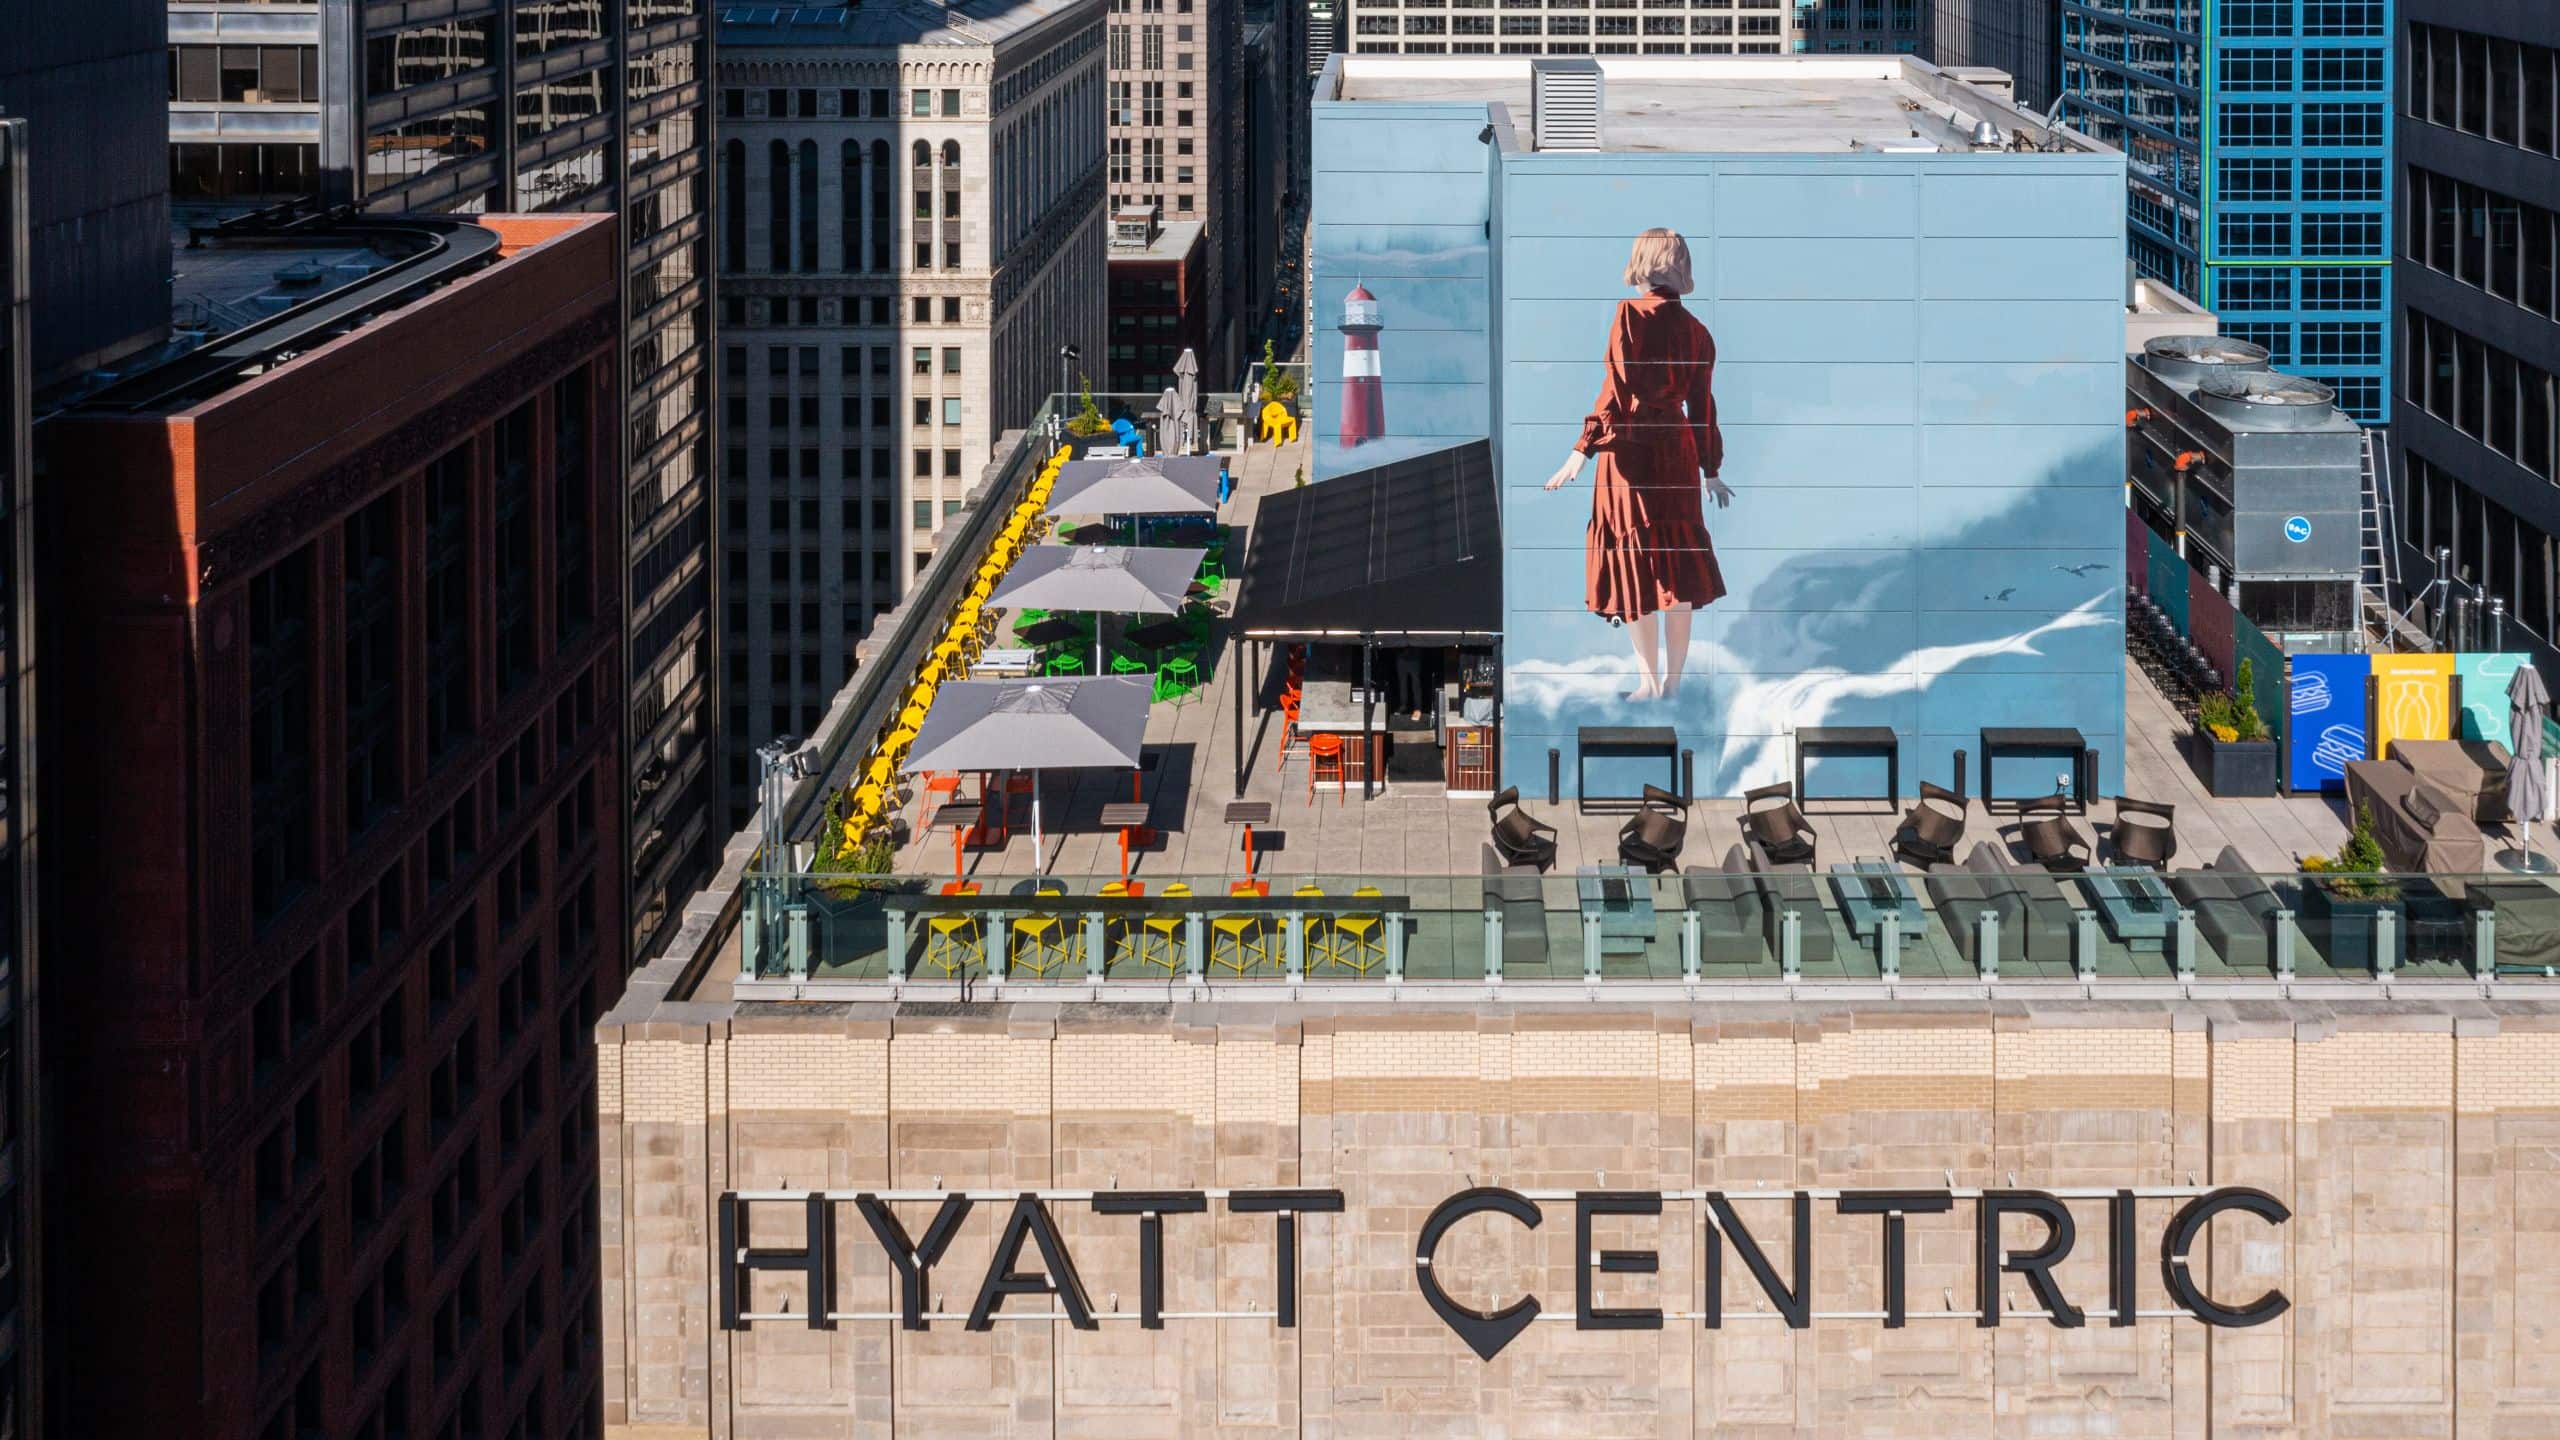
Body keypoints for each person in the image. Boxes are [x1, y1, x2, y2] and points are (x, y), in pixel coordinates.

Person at [1544, 227, 1732, 701]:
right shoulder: (1698, 334)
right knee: (1678, 568)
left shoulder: (1629, 316)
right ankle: (1671, 684)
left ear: (1643, 264)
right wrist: (1710, 468)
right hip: (1677, 452)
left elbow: (1616, 390)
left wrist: (1580, 450)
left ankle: (1648, 682)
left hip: (1630, 453)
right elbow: (1703, 407)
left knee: (1636, 566)